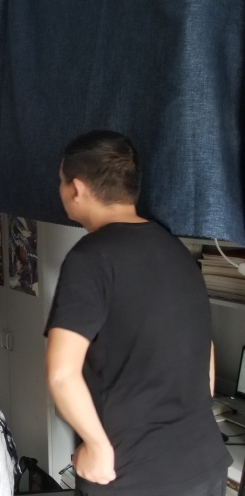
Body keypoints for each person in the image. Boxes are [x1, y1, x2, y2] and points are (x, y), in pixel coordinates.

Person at [45, 130, 232, 496]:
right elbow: (205, 352)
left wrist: (96, 446)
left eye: (61, 181)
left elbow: (61, 373)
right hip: (203, 464)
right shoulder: (176, 249)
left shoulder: (90, 257)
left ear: (77, 188)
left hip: (134, 475)